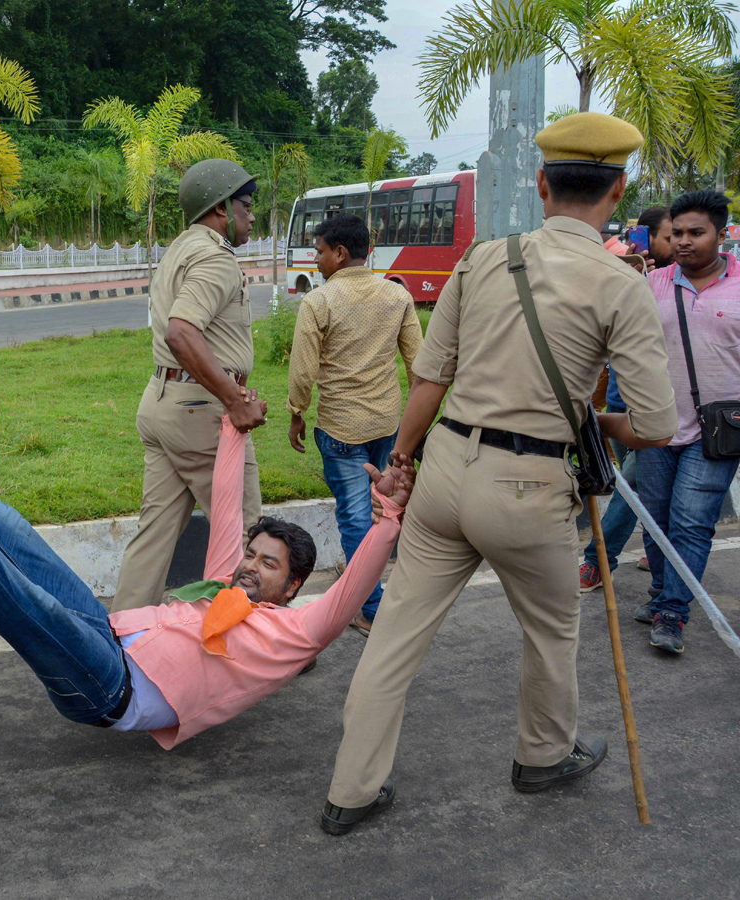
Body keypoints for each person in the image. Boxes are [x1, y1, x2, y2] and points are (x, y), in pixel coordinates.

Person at [319, 112, 678, 837]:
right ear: (620, 191)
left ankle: (349, 793)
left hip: (448, 464)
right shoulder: (621, 283)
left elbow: (429, 376)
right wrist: (591, 422)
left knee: (394, 638)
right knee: (550, 629)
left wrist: (400, 462)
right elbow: (657, 426)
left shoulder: (485, 258)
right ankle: (543, 755)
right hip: (531, 484)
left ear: (542, 185)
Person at [0, 418, 413, 746]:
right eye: (252, 554)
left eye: (269, 565)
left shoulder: (294, 635)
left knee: (27, 603)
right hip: (106, 632)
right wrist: (232, 426)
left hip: (111, 687)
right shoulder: (224, 584)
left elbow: (350, 591)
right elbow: (224, 506)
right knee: (19, 536)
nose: (250, 566)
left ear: (292, 589)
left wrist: (387, 518)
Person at [110, 159, 267, 613]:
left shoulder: (179, 249)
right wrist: (233, 398)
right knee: (243, 531)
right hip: (201, 412)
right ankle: (247, 635)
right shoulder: (215, 257)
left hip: (163, 402)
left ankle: (124, 635)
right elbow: (182, 331)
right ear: (220, 208)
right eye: (246, 206)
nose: (252, 216)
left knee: (155, 533)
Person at [287, 212, 422, 635]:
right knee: (381, 509)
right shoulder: (397, 296)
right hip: (387, 423)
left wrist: (296, 412)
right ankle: (369, 585)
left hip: (341, 429)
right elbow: (419, 365)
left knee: (355, 517)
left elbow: (303, 372)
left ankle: (369, 606)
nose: (317, 260)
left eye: (321, 251)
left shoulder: (318, 301)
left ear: (341, 253)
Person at [635, 189, 740, 655]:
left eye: (696, 233)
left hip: (720, 431)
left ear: (722, 233)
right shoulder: (653, 284)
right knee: (655, 520)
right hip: (656, 424)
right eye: (676, 232)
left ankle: (674, 613)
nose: (683, 241)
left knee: (691, 524)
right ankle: (661, 593)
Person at [579, 204, 674, 592]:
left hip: (662, 412)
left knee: (632, 483)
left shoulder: (692, 282)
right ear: (646, 238)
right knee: (643, 484)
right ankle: (659, 547)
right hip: (620, 404)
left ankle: (598, 560)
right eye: (672, 236)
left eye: (687, 235)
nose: (680, 243)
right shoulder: (629, 274)